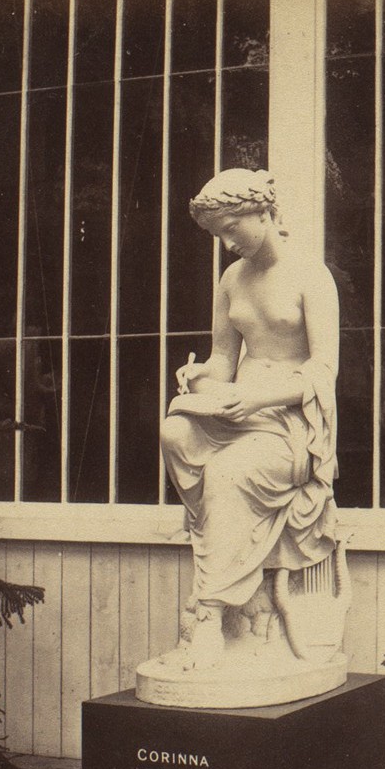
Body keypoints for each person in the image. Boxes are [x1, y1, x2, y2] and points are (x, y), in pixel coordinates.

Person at [160, 168, 340, 668]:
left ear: (263, 212)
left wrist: (257, 400)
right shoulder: (231, 279)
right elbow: (223, 360)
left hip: (289, 423)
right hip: (238, 411)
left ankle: (210, 615)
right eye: (217, 233)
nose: (225, 243)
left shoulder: (311, 276)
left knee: (226, 473)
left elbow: (323, 373)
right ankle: (228, 570)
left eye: (231, 228)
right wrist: (198, 377)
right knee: (174, 432)